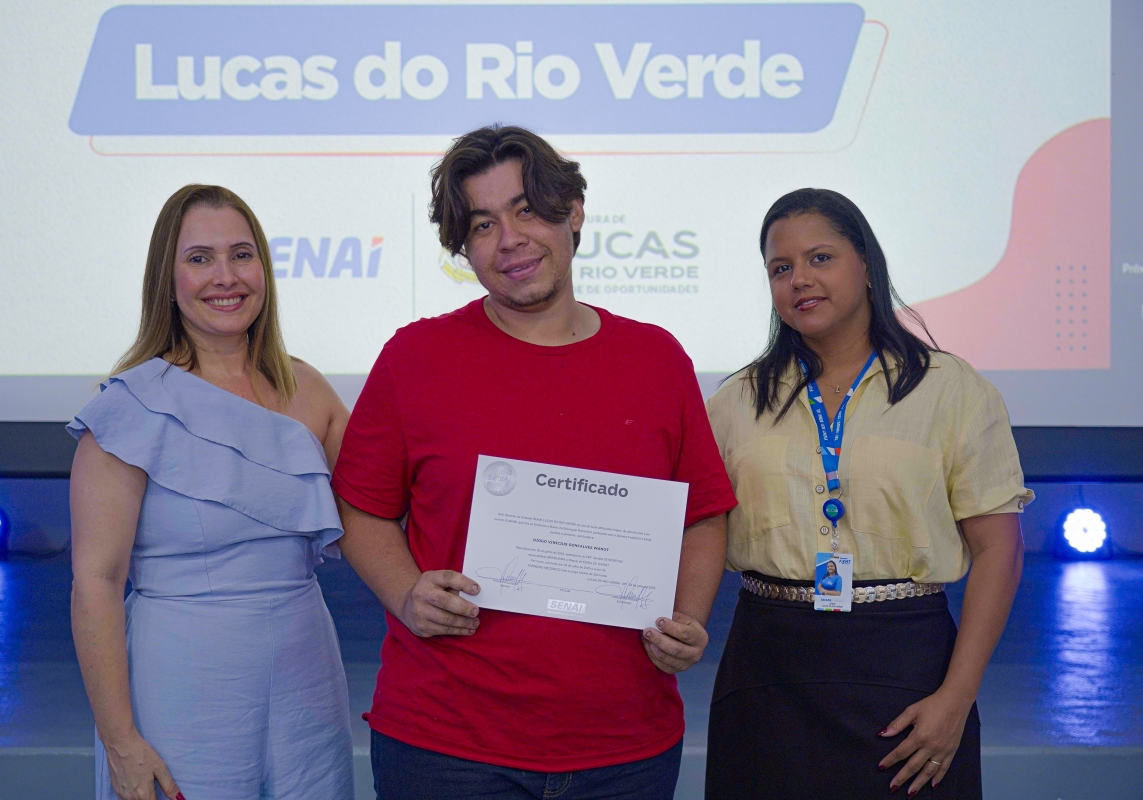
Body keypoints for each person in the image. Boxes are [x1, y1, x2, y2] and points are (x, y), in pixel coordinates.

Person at [331, 125, 738, 800]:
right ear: (463, 247)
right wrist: (406, 593)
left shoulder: (656, 359)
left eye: (527, 210)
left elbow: (701, 515)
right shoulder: (416, 357)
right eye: (483, 224)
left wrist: (687, 620)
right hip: (446, 745)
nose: (510, 239)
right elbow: (359, 506)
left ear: (573, 211)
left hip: (624, 744)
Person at [705, 188, 1033, 799]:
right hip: (766, 671)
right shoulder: (735, 401)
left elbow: (1000, 550)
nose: (800, 280)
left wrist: (956, 698)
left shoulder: (951, 390)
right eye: (780, 268)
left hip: (907, 671)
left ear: (865, 263)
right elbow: (693, 531)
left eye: (820, 258)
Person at [69, 185, 355, 800]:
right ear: (166, 279)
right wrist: (121, 742)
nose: (226, 277)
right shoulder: (130, 407)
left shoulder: (309, 390)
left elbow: (380, 512)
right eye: (200, 258)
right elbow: (96, 584)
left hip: (308, 675)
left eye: (241, 255)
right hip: (183, 687)